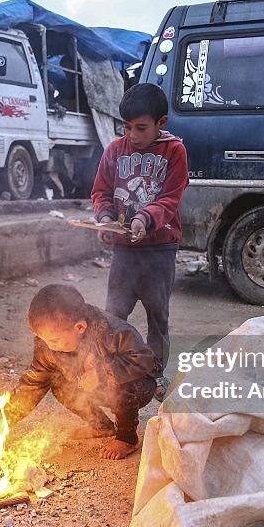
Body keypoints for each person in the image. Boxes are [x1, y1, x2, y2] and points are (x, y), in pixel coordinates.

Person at [90, 83, 189, 400]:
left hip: (160, 250)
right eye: (127, 127)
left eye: (141, 128)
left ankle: (156, 374)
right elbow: (101, 192)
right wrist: (105, 218)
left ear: (162, 123)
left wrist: (145, 218)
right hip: (125, 252)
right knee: (112, 314)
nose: (133, 134)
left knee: (157, 316)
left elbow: (171, 198)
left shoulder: (174, 151)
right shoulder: (114, 151)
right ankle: (110, 369)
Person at [5, 284, 157, 460]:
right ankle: (101, 426)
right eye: (43, 339)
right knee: (57, 383)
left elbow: (145, 360)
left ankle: (127, 438)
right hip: (88, 386)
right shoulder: (46, 345)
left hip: (138, 387)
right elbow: (33, 384)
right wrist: (5, 419)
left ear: (79, 327)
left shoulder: (113, 332)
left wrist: (102, 372)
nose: (48, 345)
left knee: (116, 380)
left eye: (53, 340)